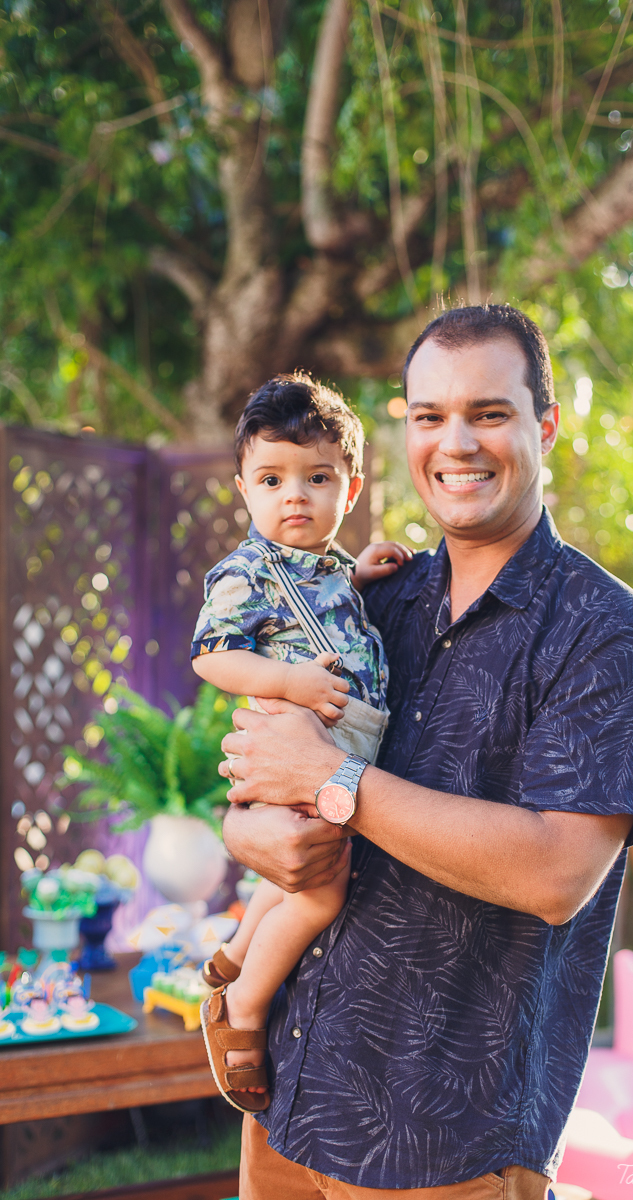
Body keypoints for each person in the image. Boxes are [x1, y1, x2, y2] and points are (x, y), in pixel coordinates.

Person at [221, 305, 633, 1200]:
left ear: (545, 426)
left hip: (441, 1143)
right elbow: (261, 770)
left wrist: (335, 780)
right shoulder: (375, 599)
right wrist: (249, 834)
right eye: (430, 417)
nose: (455, 443)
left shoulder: (606, 632)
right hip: (292, 1095)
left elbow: (556, 875)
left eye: (488, 413)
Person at [190, 372, 410, 1113]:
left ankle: (229, 957)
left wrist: (367, 572)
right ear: (245, 490)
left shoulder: (331, 570)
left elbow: (339, 602)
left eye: (317, 478)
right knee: (322, 891)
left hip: (347, 739)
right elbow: (212, 655)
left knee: (295, 872)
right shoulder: (246, 571)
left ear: (347, 494)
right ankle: (243, 1006)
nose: (295, 496)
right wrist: (288, 686)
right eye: (273, 479)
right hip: (300, 739)